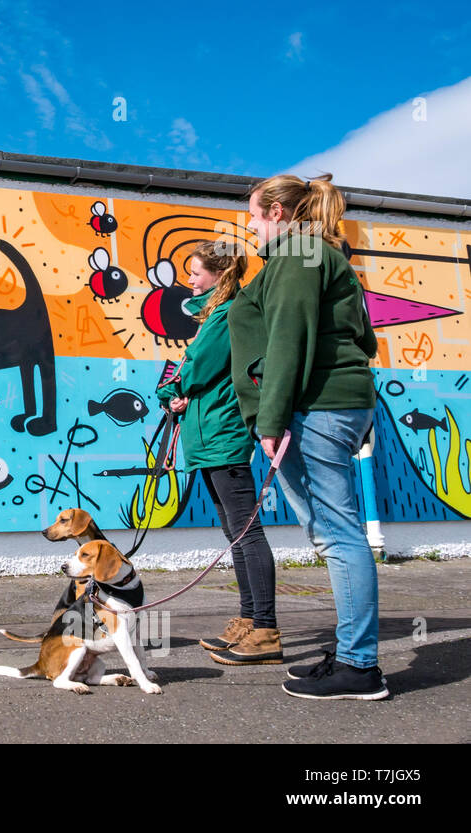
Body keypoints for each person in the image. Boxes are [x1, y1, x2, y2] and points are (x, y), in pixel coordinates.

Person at [228, 173, 387, 700]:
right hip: (337, 404)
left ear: (277, 213)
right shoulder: (317, 254)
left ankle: (360, 667)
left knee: (338, 536)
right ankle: (349, 655)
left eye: (253, 213)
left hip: (317, 408)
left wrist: (270, 420)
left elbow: (288, 339)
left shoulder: (297, 254)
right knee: (334, 534)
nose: (249, 225)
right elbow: (363, 336)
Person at [157, 241, 280, 665]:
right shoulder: (218, 315)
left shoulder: (225, 315)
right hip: (209, 436)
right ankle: (249, 621)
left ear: (218, 273)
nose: (189, 280)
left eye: (195, 273)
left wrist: (172, 389)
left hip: (222, 436)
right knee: (236, 534)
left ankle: (264, 628)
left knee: (247, 532)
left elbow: (195, 370)